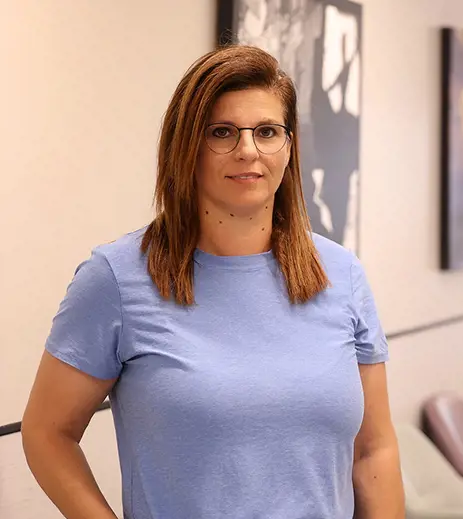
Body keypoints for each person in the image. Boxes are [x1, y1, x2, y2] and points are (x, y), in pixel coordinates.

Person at [21, 45, 405, 518]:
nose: (248, 150)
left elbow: (373, 450)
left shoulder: (341, 274)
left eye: (267, 131)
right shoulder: (115, 280)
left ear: (289, 147)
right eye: (222, 132)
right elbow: (47, 433)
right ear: (187, 146)